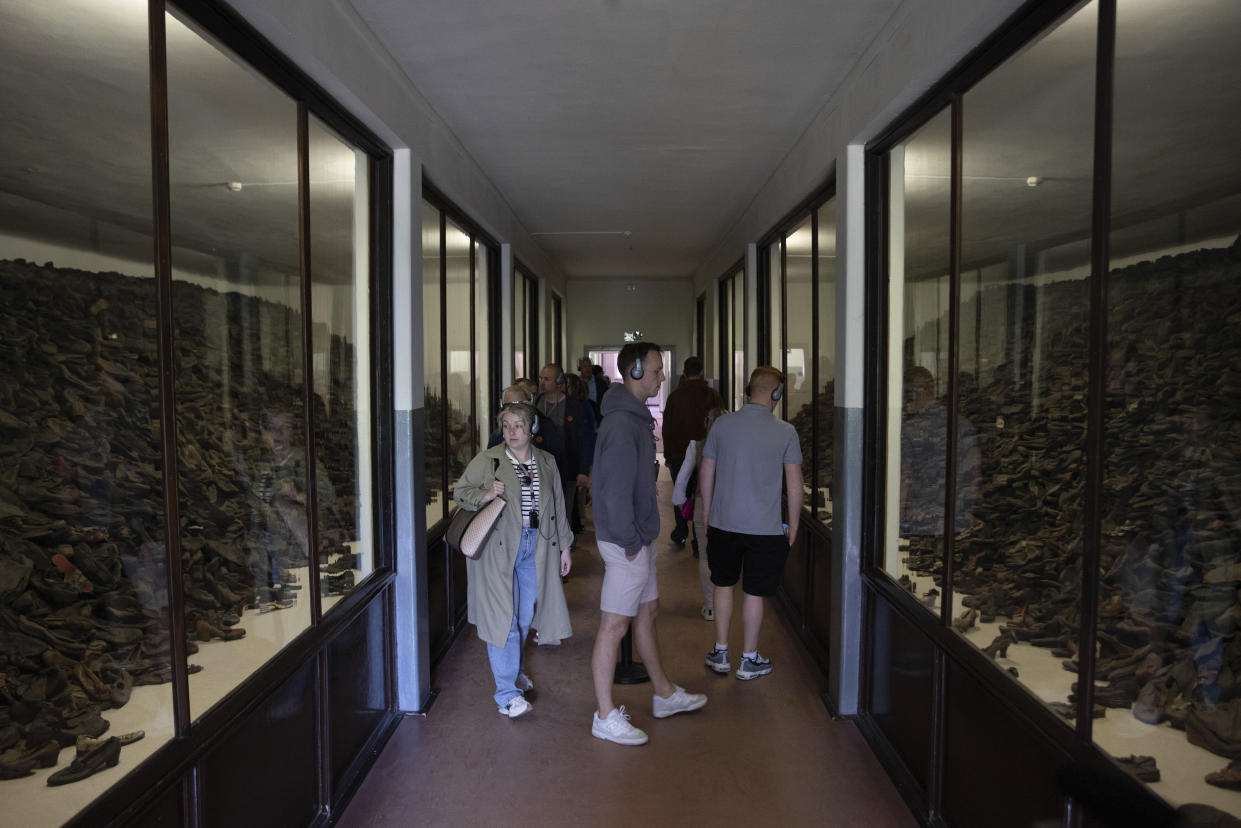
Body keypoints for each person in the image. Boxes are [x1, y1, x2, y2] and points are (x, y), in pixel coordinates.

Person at [590, 341, 707, 745]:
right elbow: (613, 493)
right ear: (635, 371)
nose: (662, 376)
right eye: (657, 370)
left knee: (648, 611)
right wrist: (629, 542)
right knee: (614, 624)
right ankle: (604, 715)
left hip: (637, 535)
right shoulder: (622, 426)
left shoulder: (634, 418)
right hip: (627, 541)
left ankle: (663, 694)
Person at [454, 402, 573, 718]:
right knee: (503, 620)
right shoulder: (489, 460)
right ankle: (506, 694)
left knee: (523, 618)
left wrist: (565, 547)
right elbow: (461, 492)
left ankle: (515, 671)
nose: (512, 432)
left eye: (518, 425)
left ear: (532, 428)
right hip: (498, 549)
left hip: (536, 547)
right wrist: (485, 494)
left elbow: (557, 506)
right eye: (506, 426)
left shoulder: (546, 462)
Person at [699, 366, 802, 680]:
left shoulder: (722, 425)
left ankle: (720, 651)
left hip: (723, 523)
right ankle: (749, 659)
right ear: (776, 394)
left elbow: (706, 471)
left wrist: (708, 514)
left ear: (748, 389)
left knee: (723, 584)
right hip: (765, 528)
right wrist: (793, 523)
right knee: (755, 593)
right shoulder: (785, 432)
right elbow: (794, 484)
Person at [235, 395, 335, 607]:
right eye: (272, 428)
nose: (278, 435)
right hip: (271, 554)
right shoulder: (260, 462)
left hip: (299, 550)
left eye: (284, 428)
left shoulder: (305, 461)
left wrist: (298, 496)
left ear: (294, 430)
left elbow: (328, 497)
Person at [661, 356, 723, 548]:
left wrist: (668, 455)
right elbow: (720, 425)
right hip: (707, 455)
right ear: (702, 371)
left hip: (679, 454)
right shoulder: (713, 396)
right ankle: (698, 539)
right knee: (702, 495)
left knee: (681, 492)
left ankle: (680, 532)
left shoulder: (675, 397)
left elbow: (667, 428)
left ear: (685, 373)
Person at [673, 406, 727, 621]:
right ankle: (724, 604)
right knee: (724, 556)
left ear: (707, 423)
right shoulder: (735, 447)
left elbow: (683, 478)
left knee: (706, 556)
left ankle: (711, 606)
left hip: (702, 503)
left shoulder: (696, 446)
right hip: (728, 506)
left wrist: (680, 502)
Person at [536, 363, 593, 533]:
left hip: (566, 469)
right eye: (541, 378)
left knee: (564, 512)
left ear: (559, 381)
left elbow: (584, 440)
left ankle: (562, 550)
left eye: (547, 379)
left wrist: (583, 470)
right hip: (540, 470)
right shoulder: (536, 403)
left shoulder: (575, 406)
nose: (542, 383)